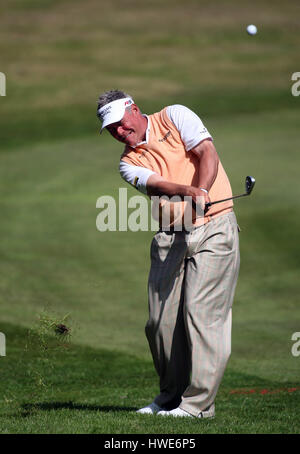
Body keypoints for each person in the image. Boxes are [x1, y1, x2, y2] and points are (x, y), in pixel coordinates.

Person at [96, 90, 240, 418]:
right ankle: (170, 397)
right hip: (170, 236)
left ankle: (197, 405)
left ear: (133, 109)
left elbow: (207, 153)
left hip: (215, 227)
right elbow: (157, 184)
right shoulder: (127, 163)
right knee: (159, 323)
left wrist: (202, 191)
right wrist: (188, 192)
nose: (118, 131)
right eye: (111, 129)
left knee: (201, 315)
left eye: (119, 122)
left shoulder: (175, 116)